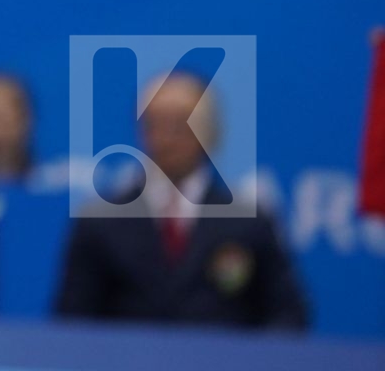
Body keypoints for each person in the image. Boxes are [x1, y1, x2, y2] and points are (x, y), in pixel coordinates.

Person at [55, 72, 310, 329]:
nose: (167, 137)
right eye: (155, 123)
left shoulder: (249, 222)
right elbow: (72, 321)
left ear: (210, 132)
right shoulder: (101, 221)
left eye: (182, 124)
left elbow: (287, 316)